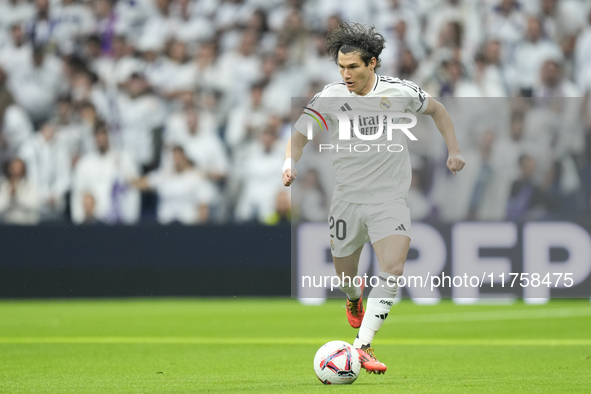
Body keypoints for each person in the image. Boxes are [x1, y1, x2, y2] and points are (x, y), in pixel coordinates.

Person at [282, 22, 465, 374]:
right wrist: (290, 163)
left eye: (353, 67)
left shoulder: (400, 92)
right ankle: (354, 298)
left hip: (389, 200)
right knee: (347, 279)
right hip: (347, 201)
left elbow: (438, 110)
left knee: (393, 268)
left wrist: (453, 150)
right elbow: (300, 135)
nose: (346, 74)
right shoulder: (331, 97)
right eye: (341, 67)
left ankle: (362, 345)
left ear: (373, 63)